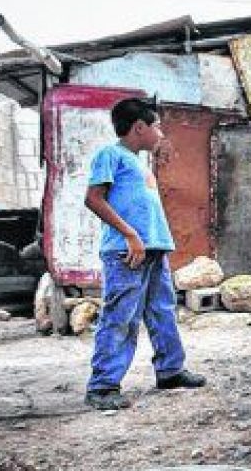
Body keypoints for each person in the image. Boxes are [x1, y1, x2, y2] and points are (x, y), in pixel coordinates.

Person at [83, 97, 205, 410]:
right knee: (121, 316)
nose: (161, 134)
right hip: (128, 252)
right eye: (157, 127)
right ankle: (103, 386)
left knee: (162, 310)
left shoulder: (139, 162)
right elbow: (94, 199)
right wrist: (130, 235)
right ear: (139, 128)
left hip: (153, 249)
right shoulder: (110, 155)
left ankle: (170, 370)